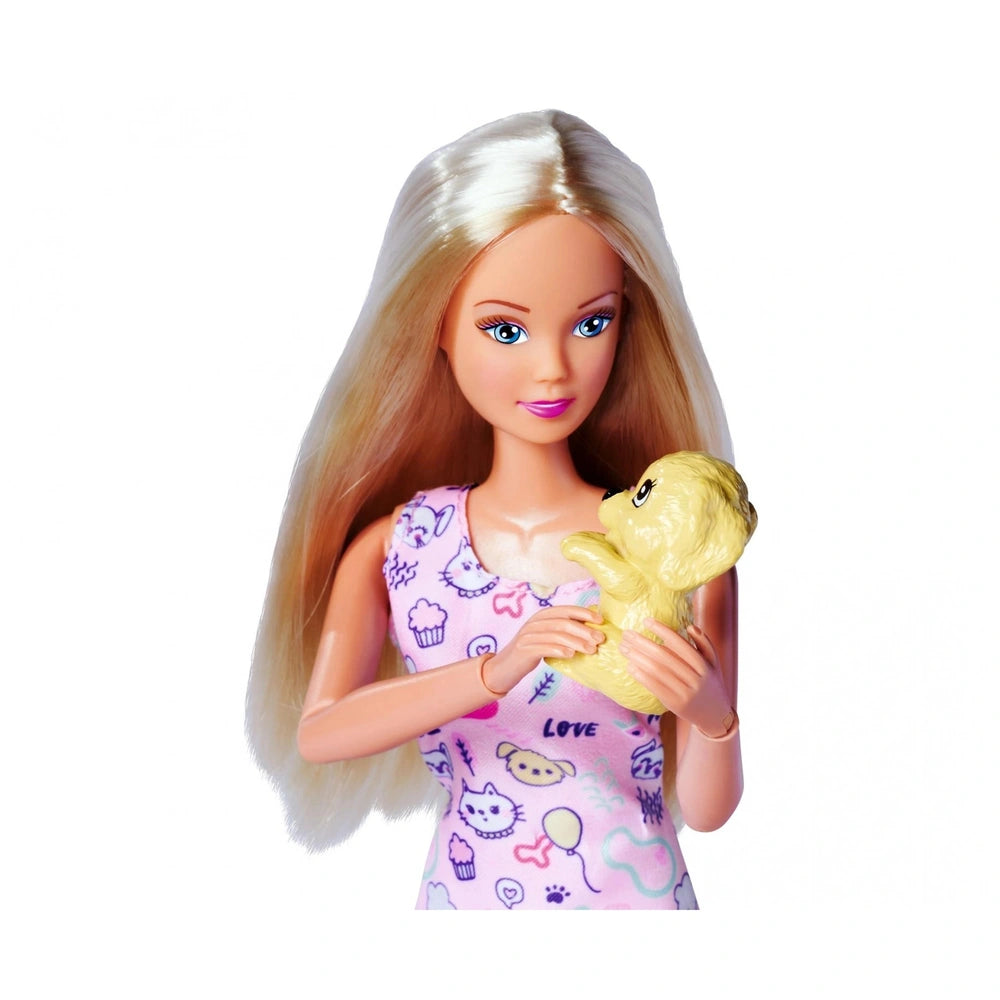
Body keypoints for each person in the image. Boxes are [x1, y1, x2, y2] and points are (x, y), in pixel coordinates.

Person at [246, 110, 744, 909]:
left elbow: (709, 811)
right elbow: (323, 731)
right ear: (438, 326)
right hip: (469, 900)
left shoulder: (670, 549)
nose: (552, 369)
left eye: (592, 323)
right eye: (505, 329)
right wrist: (495, 669)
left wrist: (712, 714)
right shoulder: (400, 548)